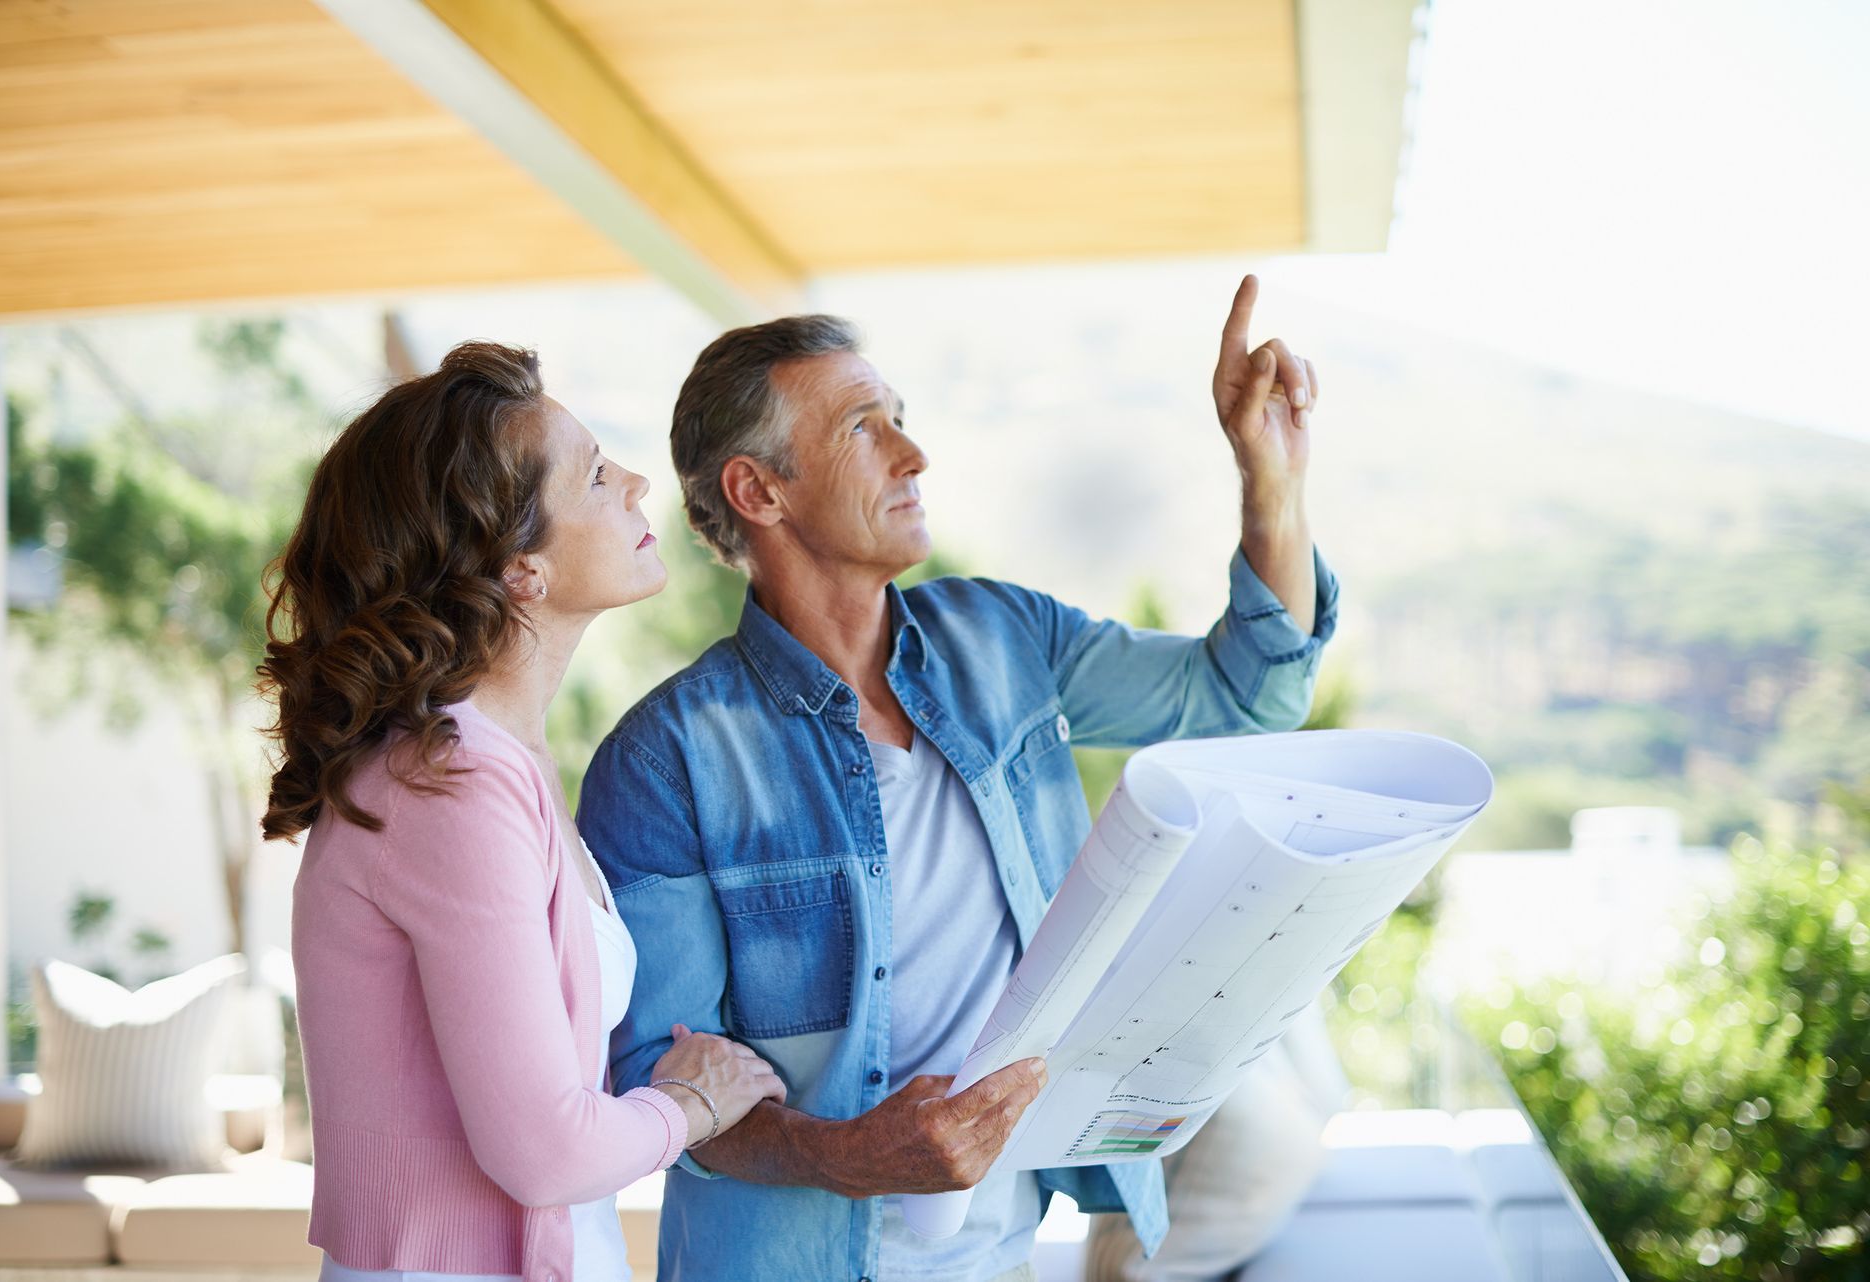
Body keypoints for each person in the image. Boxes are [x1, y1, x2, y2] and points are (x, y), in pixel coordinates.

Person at [579, 276, 1340, 1282]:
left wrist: (1269, 480)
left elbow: (1247, 695)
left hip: (1001, 1253)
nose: (913, 453)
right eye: (863, 428)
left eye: (901, 418)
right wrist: (848, 1157)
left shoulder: (1003, 639)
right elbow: (656, 1085)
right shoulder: (663, 760)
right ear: (759, 492)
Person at [261, 342, 785, 1282]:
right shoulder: (449, 785)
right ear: (519, 571)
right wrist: (696, 1105)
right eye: (592, 474)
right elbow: (545, 1151)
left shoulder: (495, 765)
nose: (633, 483)